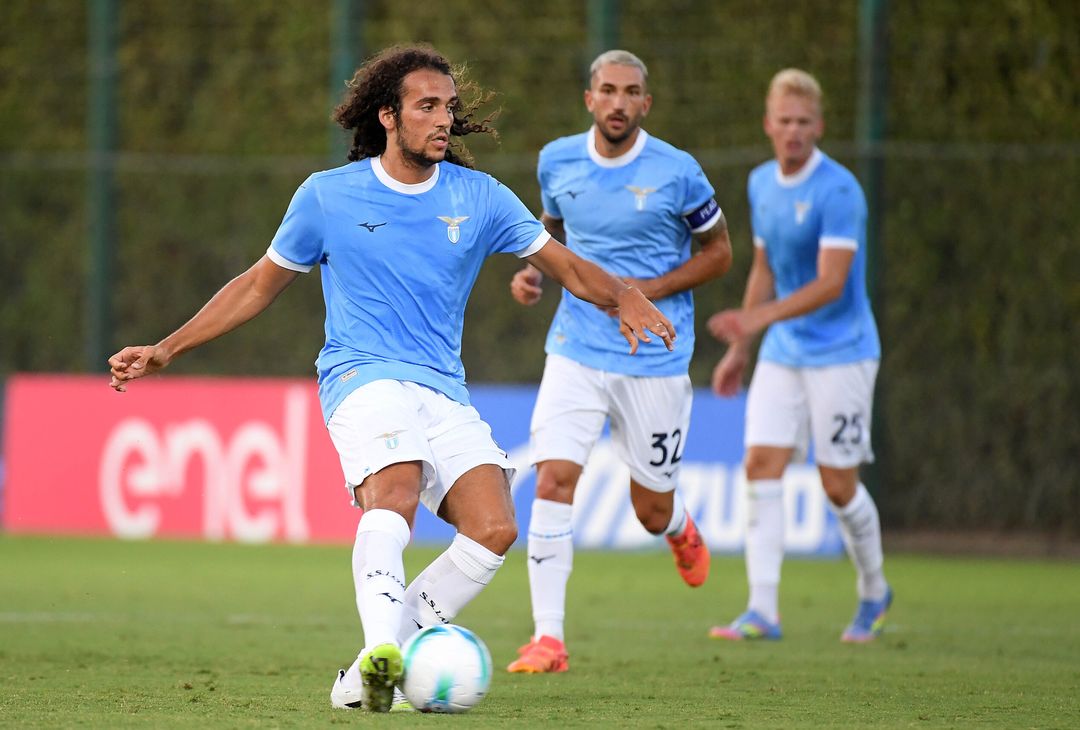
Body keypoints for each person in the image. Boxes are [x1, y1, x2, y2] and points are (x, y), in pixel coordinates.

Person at [107, 44, 676, 712]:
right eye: (427, 106)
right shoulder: (327, 196)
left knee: (494, 526)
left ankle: (364, 677)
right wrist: (167, 348)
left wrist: (625, 297)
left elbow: (567, 267)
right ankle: (383, 646)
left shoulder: (480, 197)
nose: (443, 119)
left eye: (449, 108)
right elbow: (258, 287)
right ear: (387, 116)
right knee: (397, 487)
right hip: (362, 376)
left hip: (442, 387)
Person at [505, 50, 732, 674]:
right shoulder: (556, 161)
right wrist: (531, 276)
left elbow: (719, 255)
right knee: (554, 478)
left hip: (655, 356)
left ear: (645, 104)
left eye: (631, 92)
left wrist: (641, 293)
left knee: (650, 508)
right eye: (607, 90)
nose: (618, 102)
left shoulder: (679, 172)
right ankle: (547, 639)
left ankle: (681, 526)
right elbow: (549, 243)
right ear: (589, 99)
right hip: (575, 349)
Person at [706, 68, 891, 643]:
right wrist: (742, 348)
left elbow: (832, 283)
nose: (793, 132)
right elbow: (764, 266)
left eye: (803, 123)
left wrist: (757, 319)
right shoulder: (763, 183)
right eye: (783, 121)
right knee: (761, 465)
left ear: (819, 127)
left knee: (838, 484)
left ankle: (873, 591)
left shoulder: (839, 191)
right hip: (784, 352)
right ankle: (763, 610)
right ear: (768, 124)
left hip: (842, 352)